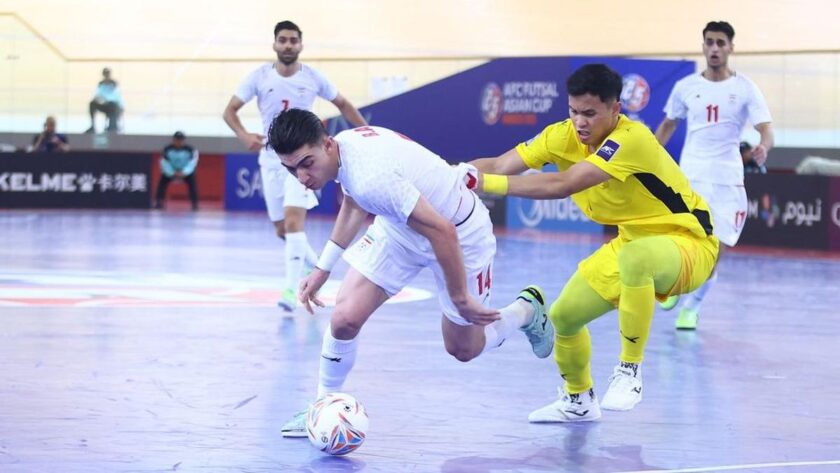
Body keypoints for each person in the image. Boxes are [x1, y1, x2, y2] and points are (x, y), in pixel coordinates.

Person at [267, 109, 554, 437]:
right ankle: (321, 407)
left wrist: (460, 297)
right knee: (344, 318)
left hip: (461, 233)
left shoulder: (372, 176)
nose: (302, 177)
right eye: (292, 169)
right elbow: (354, 200)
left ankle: (525, 311)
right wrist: (323, 268)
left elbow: (442, 231)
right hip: (401, 228)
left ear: (327, 145)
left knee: (464, 348)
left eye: (307, 163)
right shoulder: (345, 152)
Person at [468, 64, 719, 422]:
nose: (579, 122)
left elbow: (564, 184)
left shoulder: (632, 139)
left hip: (690, 243)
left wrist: (482, 185)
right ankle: (578, 400)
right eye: (573, 111)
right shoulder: (561, 135)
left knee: (637, 259)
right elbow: (498, 164)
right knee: (564, 316)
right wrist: (446, 176)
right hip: (632, 243)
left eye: (589, 113)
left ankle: (629, 372)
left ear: (615, 109)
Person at [223, 20, 368, 312]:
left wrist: (366, 131)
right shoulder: (259, 76)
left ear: (300, 44)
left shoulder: (313, 77)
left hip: (302, 160)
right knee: (283, 230)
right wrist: (243, 135)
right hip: (271, 159)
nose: (288, 45)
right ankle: (312, 266)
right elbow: (230, 111)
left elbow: (343, 103)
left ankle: (291, 290)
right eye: (283, 40)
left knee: (293, 223)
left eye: (293, 40)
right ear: (275, 44)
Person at [654, 21, 774, 330]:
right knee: (681, 238)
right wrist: (648, 156)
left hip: (726, 179)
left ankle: (692, 307)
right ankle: (673, 285)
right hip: (691, 176)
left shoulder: (745, 88)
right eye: (709, 42)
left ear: (731, 47)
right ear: (703, 46)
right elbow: (668, 125)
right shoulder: (686, 87)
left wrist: (764, 147)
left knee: (715, 248)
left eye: (721, 42)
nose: (715, 48)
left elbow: (766, 129)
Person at [154, 131, 199, 211]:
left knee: (192, 184)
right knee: (162, 183)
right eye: (177, 139)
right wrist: (172, 172)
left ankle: (195, 204)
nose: (179, 141)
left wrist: (184, 172)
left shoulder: (190, 150)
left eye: (181, 140)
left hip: (185, 172)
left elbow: (192, 163)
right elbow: (164, 162)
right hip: (171, 171)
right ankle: (159, 202)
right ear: (174, 140)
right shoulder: (167, 149)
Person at [85, 68, 124, 133]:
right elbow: (98, 95)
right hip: (104, 105)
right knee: (92, 103)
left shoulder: (114, 84)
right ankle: (92, 126)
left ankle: (112, 127)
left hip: (114, 106)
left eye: (107, 74)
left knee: (112, 105)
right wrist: (99, 100)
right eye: (105, 74)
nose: (106, 75)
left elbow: (116, 97)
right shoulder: (101, 84)